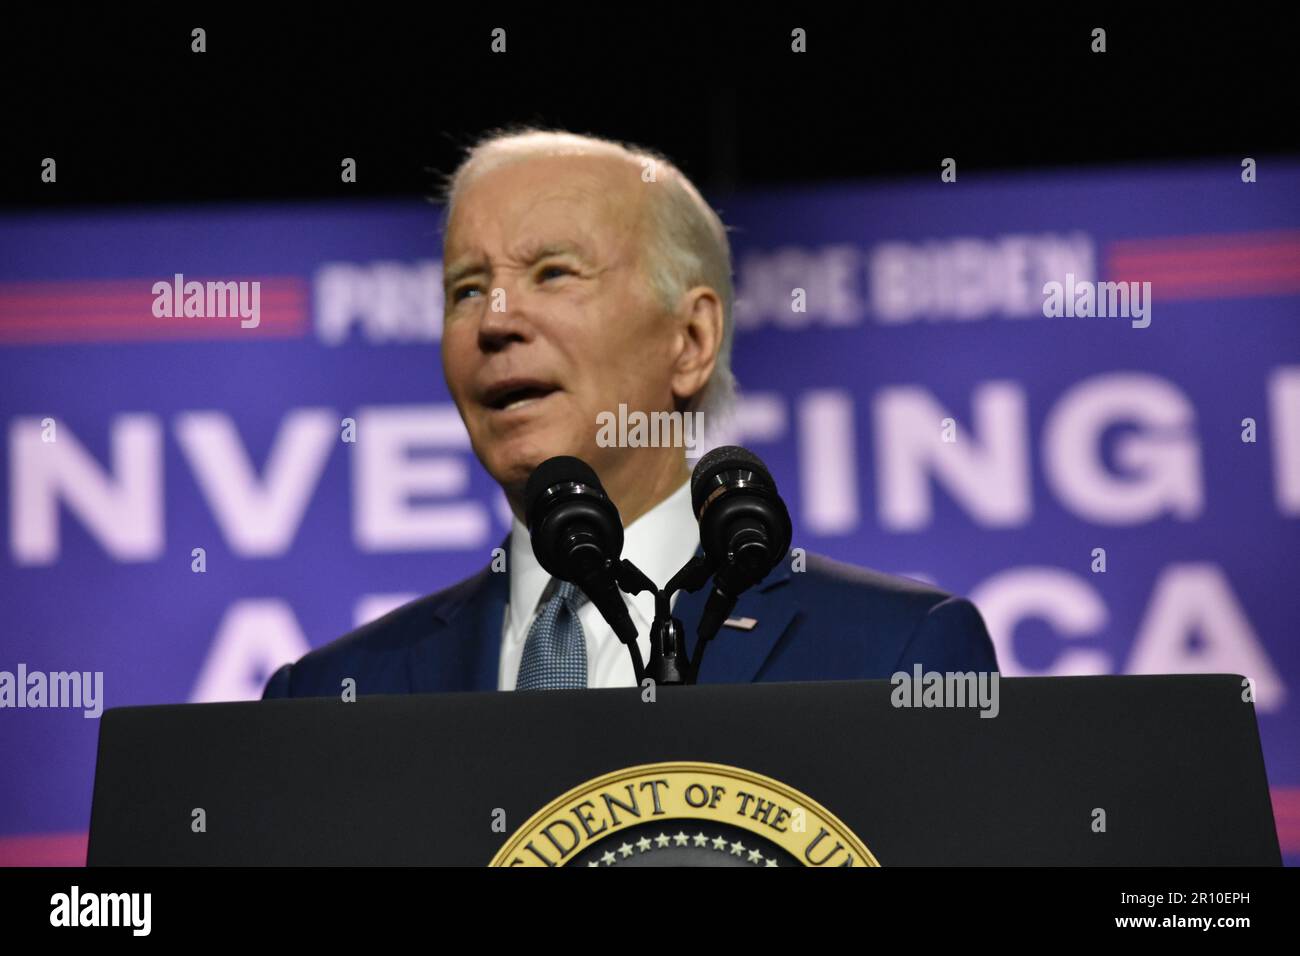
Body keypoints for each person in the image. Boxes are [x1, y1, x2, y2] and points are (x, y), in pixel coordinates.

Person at [263, 127, 997, 699]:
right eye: (465, 289)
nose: (495, 322)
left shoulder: (891, 657)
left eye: (554, 273)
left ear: (691, 340)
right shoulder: (332, 697)